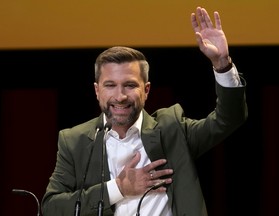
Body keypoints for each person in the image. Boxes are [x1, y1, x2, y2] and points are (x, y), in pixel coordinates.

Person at [41, 6, 248, 216]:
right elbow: (51, 207)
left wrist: (221, 63)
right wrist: (118, 189)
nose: (120, 96)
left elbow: (228, 118)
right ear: (97, 90)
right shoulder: (74, 141)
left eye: (130, 85)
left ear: (146, 89)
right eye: (110, 85)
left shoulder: (172, 129)